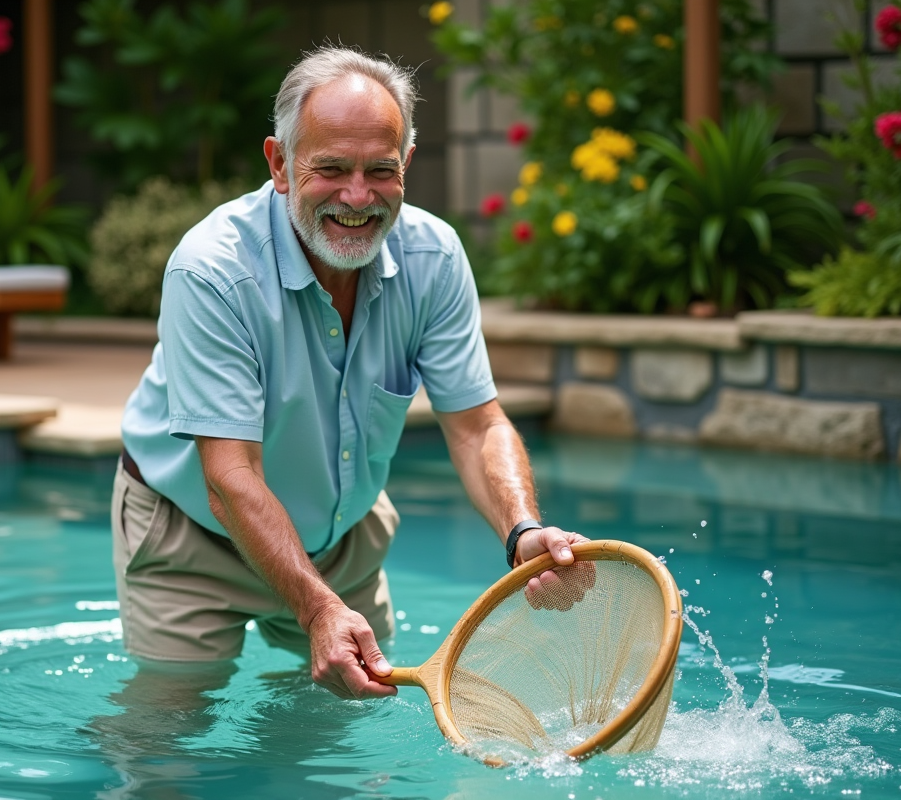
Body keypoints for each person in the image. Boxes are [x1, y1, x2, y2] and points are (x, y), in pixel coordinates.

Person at [114, 45, 587, 700]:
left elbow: (477, 426)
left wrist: (522, 529)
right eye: (331, 169)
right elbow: (229, 478)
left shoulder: (435, 256)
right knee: (166, 733)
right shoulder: (211, 269)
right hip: (193, 532)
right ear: (279, 164)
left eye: (380, 171)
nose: (358, 197)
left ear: (407, 166)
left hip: (342, 537)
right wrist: (318, 610)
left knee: (339, 740)